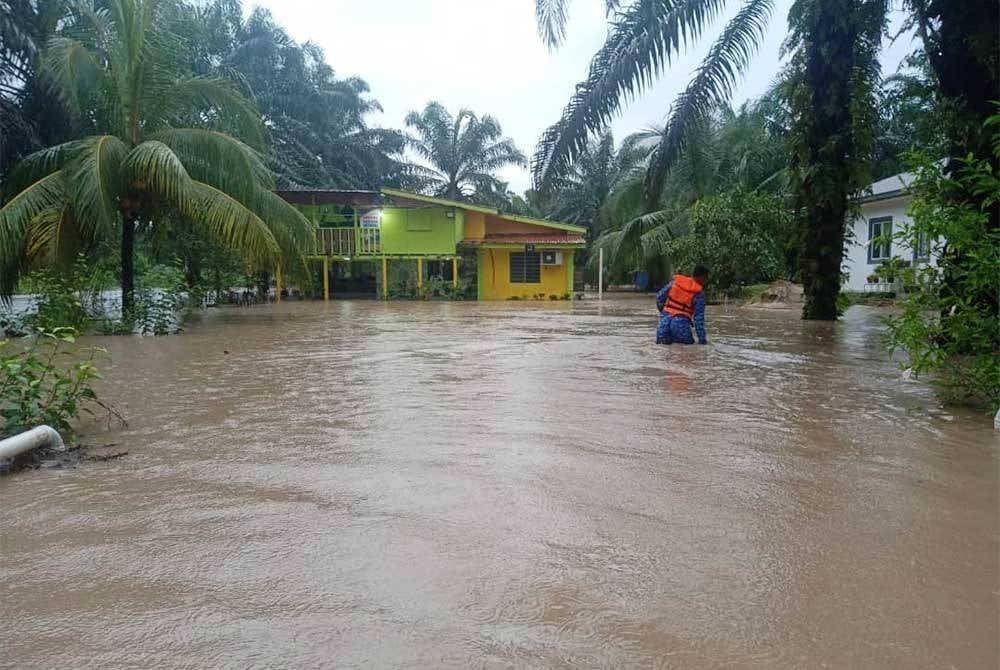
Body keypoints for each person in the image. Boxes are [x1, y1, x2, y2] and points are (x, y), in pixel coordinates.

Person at [656, 265, 709, 345]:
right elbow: (698, 320)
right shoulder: (698, 294)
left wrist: (664, 313)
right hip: (680, 326)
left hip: (663, 325)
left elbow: (659, 298)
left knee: (663, 351)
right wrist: (703, 341)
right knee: (688, 349)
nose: (706, 280)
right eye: (706, 277)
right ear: (702, 277)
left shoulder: (675, 283)